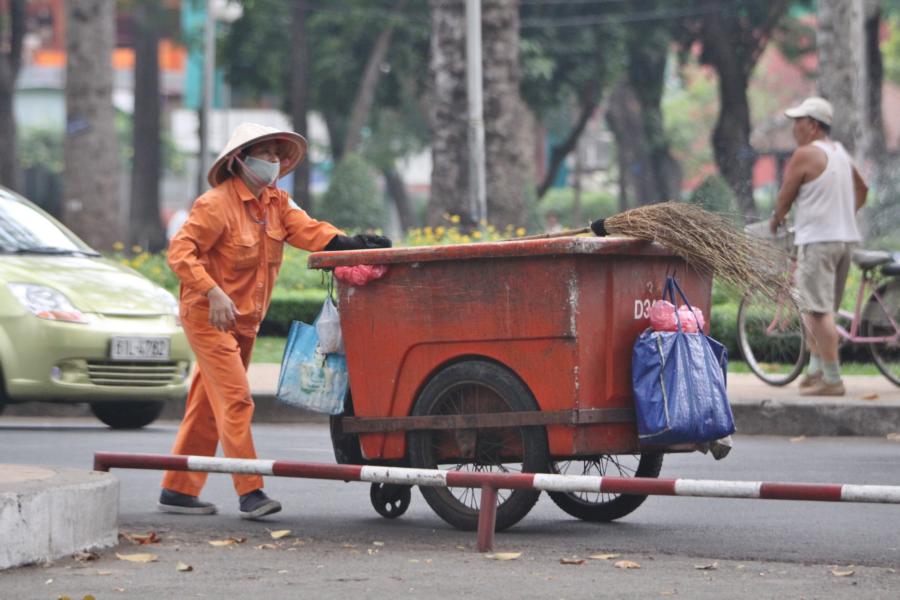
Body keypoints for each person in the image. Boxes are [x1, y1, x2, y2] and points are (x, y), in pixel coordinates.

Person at [159, 123, 390, 519]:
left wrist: (354, 245)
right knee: (236, 399)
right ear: (239, 160)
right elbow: (180, 251)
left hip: (245, 320)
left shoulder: (276, 204)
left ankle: (178, 488)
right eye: (264, 152)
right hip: (208, 316)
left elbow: (311, 232)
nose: (272, 161)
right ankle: (250, 491)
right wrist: (211, 290)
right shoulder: (215, 205)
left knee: (206, 404)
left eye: (275, 154)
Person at [770, 97, 868, 397]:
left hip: (818, 243)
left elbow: (785, 198)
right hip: (844, 241)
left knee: (817, 312)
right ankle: (814, 372)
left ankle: (832, 378)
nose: (794, 128)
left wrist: (775, 222)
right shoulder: (840, 152)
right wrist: (844, 215)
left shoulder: (805, 154)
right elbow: (862, 188)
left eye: (798, 122)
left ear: (812, 126)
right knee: (821, 312)